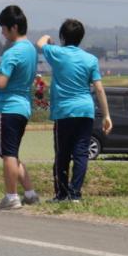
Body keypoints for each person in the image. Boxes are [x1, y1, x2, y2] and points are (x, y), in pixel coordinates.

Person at [38, 19, 113, 202]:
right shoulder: (91, 59)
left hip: (64, 112)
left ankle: (62, 194)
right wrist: (106, 115)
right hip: (85, 110)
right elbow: (99, 89)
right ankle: (75, 194)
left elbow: (40, 43)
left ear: (63, 36)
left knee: (62, 153)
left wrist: (49, 38)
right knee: (81, 153)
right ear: (81, 37)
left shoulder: (57, 53)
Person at [0, 5, 40, 209]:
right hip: (23, 107)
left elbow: (2, 83)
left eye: (4, 28)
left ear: (13, 27)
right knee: (12, 153)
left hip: (6, 108)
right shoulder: (31, 49)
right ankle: (30, 193)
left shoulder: (12, 53)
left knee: (7, 155)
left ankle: (11, 196)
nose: (2, 32)